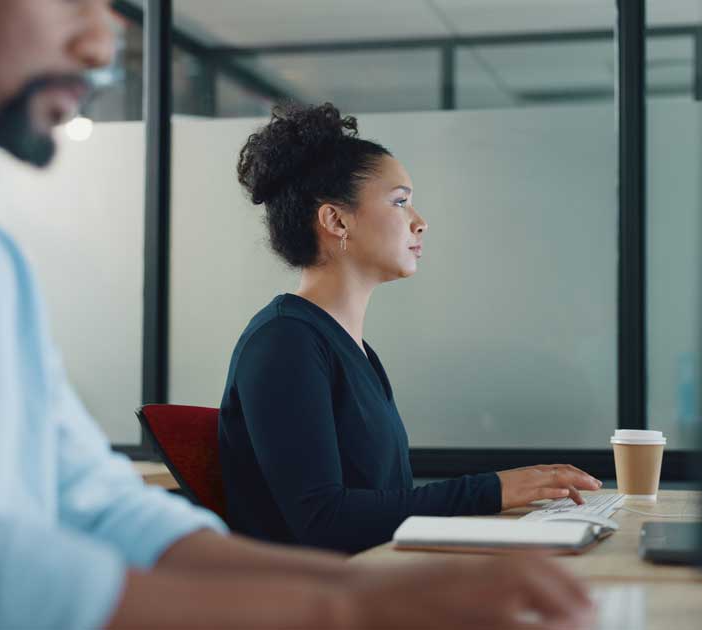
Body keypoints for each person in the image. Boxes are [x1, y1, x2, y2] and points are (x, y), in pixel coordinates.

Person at [0, 1, 594, 628]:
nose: (102, 44)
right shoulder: (285, 341)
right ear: (334, 220)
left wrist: (372, 590)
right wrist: (345, 610)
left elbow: (95, 500)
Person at [220, 102, 602, 554]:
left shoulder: (352, 349)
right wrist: (492, 491)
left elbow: (384, 504)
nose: (420, 221)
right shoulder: (284, 342)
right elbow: (324, 521)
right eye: (400, 201)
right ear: (336, 220)